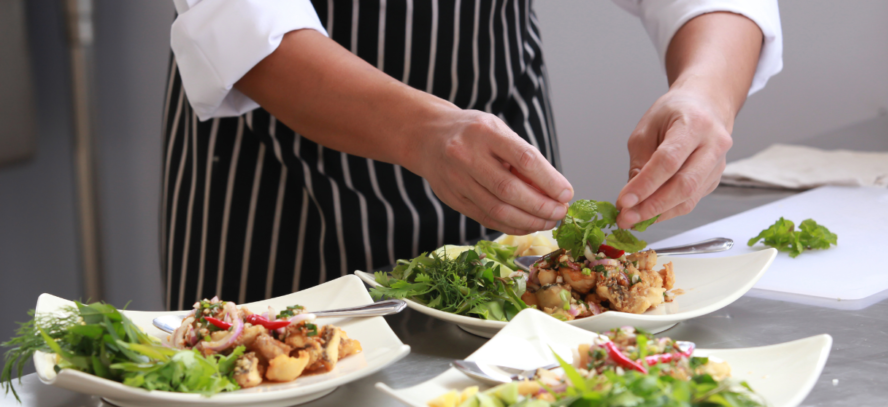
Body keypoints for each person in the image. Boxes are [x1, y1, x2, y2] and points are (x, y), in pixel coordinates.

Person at [161, 0, 782, 310]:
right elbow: (241, 20)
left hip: (504, 133)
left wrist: (706, 92)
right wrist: (420, 132)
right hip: (279, 181)